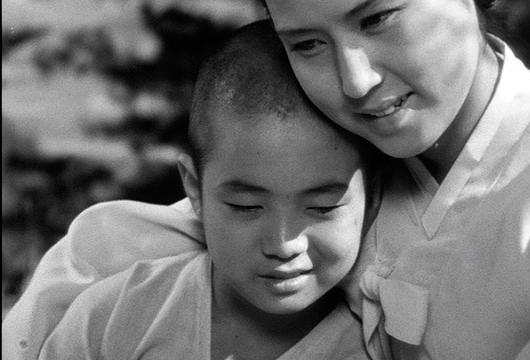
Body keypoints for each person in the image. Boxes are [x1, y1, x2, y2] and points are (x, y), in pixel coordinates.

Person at [4, 0, 530, 359]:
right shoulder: (340, 142)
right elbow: (143, 237)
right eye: (306, 42)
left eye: (379, 18)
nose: (354, 80)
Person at [30, 20, 375, 359]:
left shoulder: (382, 346)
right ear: (194, 189)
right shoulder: (114, 319)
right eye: (246, 206)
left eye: (323, 207)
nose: (284, 244)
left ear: (372, 194)